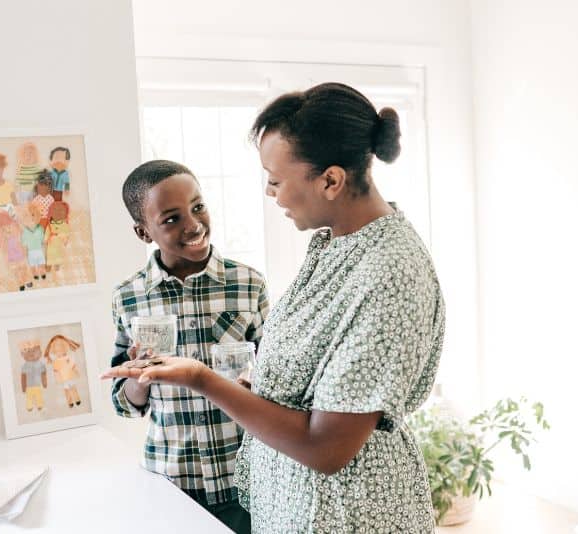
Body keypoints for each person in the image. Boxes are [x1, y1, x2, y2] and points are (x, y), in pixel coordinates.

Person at [102, 83, 445, 533]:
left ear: (330, 180)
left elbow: (327, 448)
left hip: (350, 517)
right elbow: (315, 376)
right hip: (295, 510)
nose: (269, 192)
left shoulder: (389, 273)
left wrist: (200, 378)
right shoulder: (335, 245)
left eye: (276, 179)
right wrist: (259, 381)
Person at [107, 160, 269, 534]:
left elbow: (275, 379)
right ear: (143, 232)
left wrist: (253, 385)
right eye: (171, 219)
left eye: (197, 207)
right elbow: (124, 401)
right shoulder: (128, 299)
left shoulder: (249, 285)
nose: (193, 224)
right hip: (170, 486)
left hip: (246, 482)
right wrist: (138, 378)